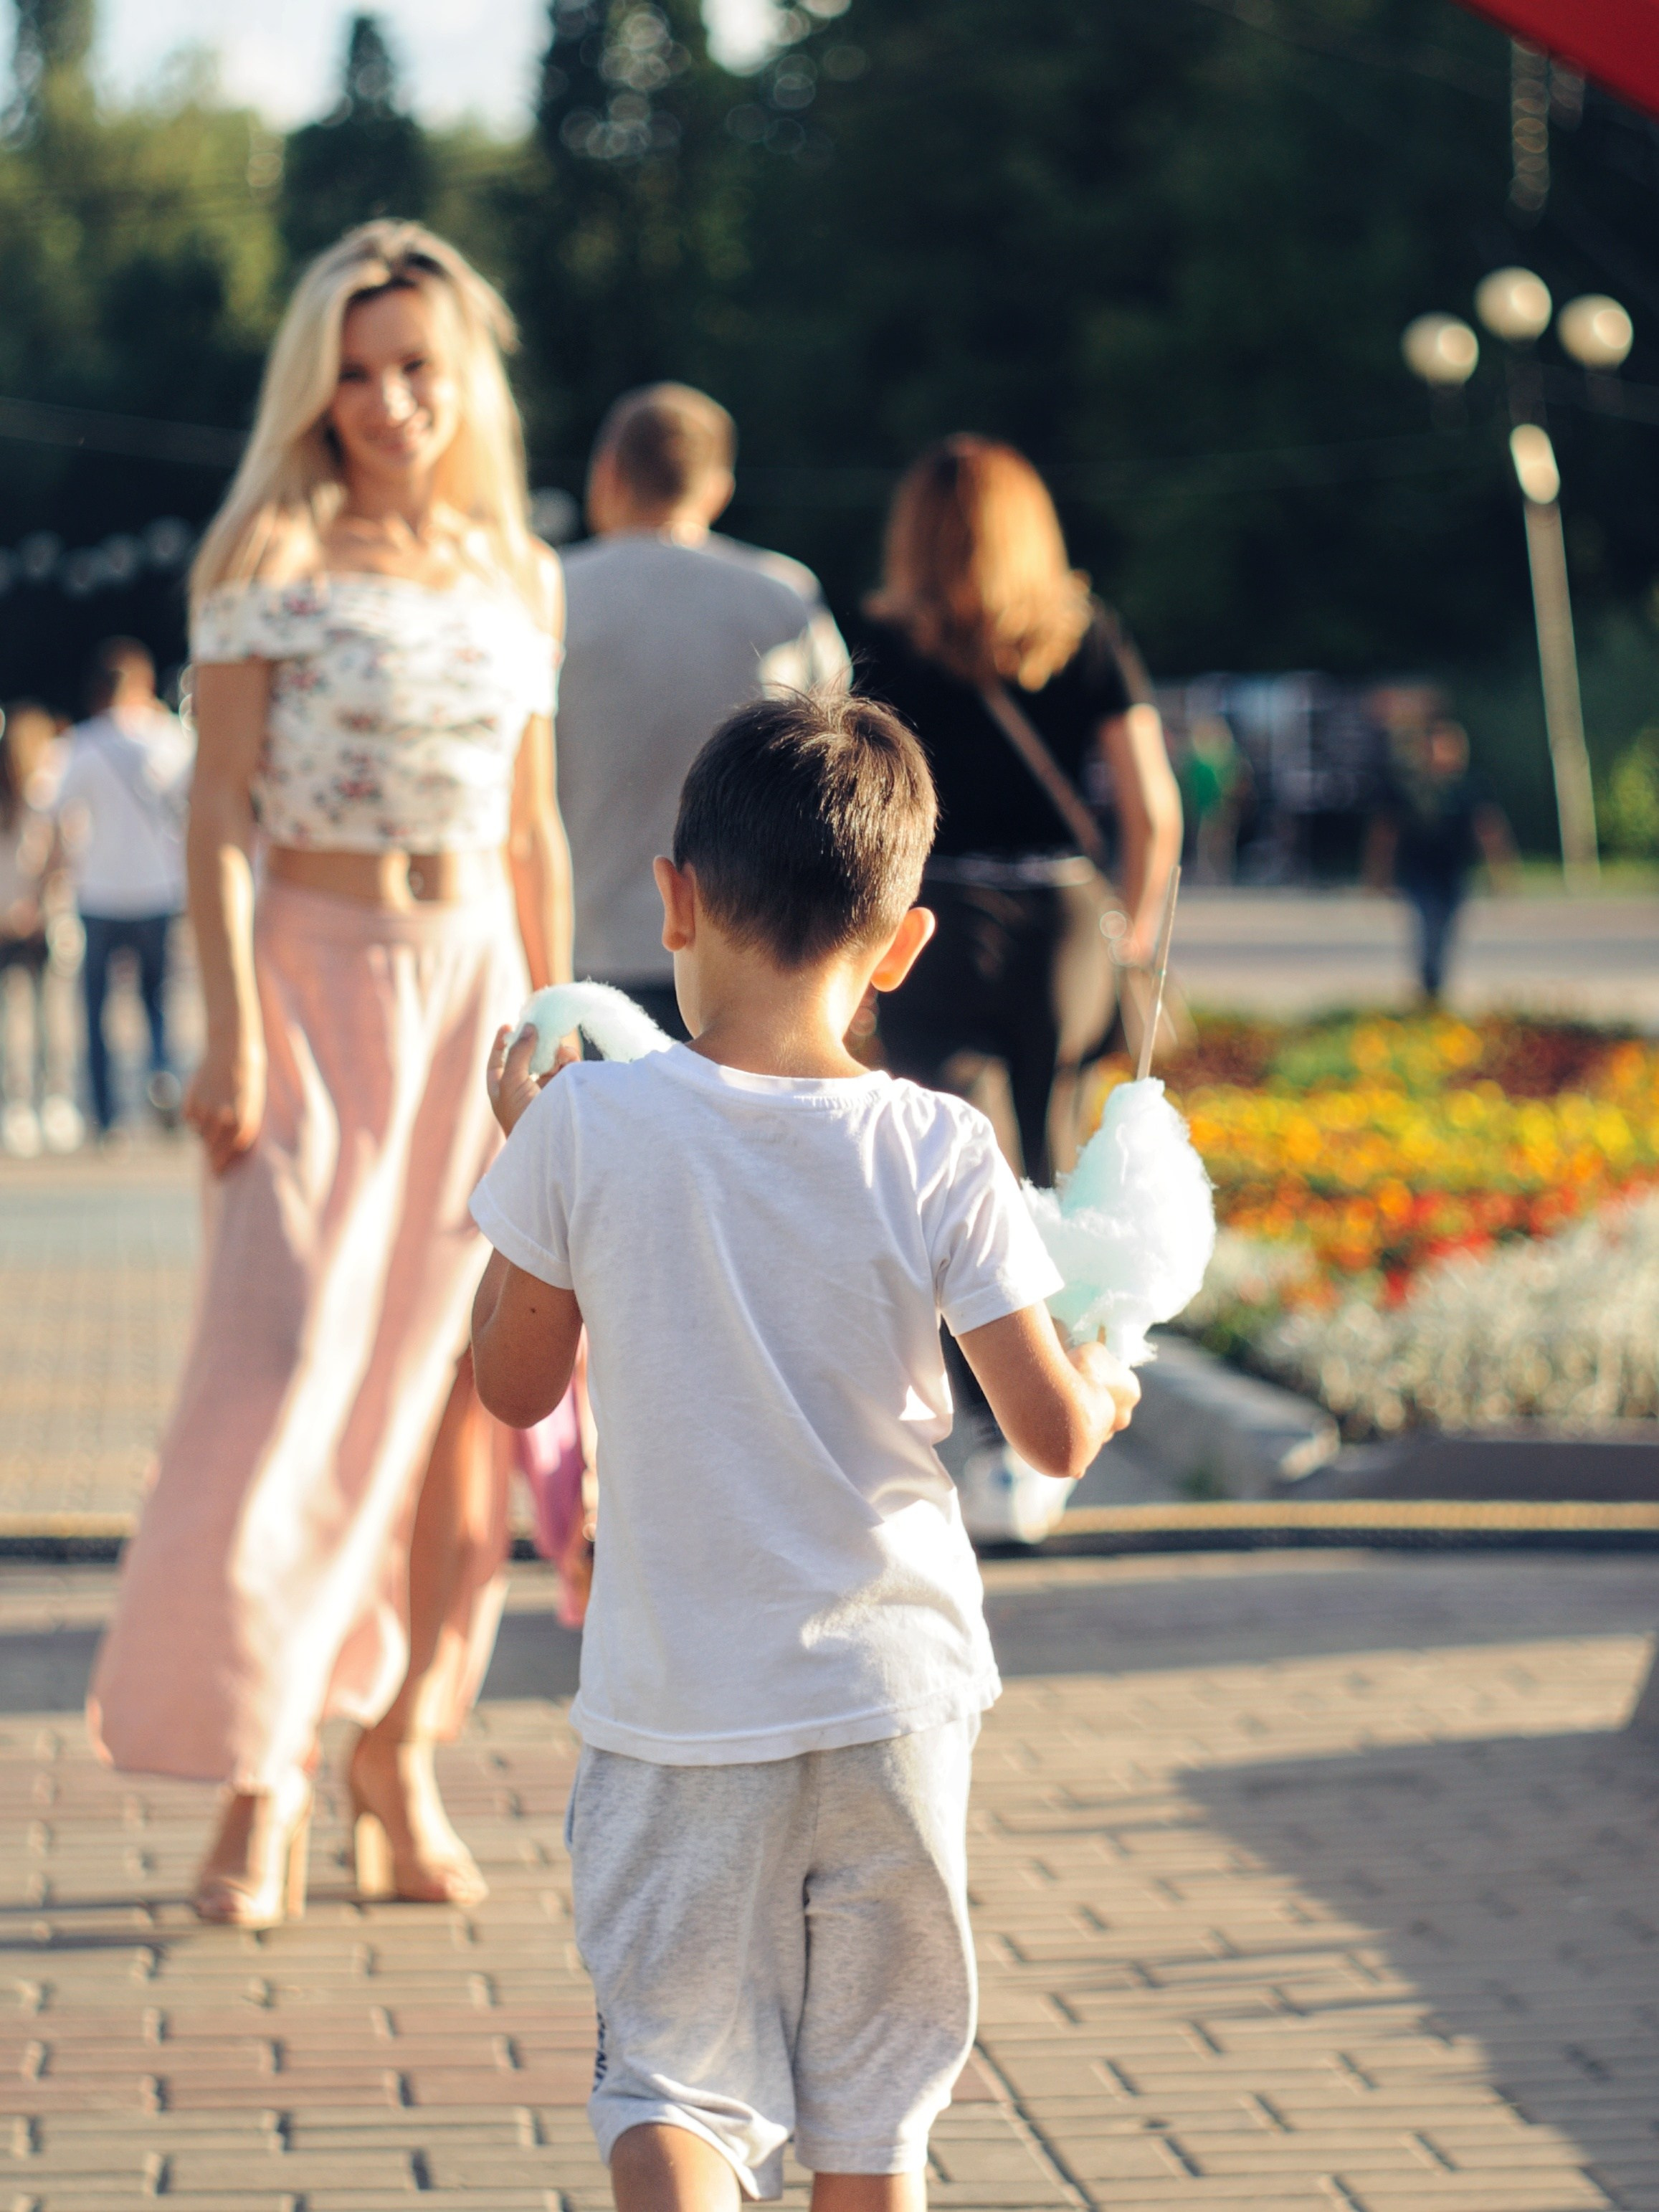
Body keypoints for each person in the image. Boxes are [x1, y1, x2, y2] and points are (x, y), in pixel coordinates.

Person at [469, 690, 1140, 2211]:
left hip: (678, 1711)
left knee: (673, 2082)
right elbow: (1042, 1430)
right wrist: (1100, 1384)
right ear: (899, 947)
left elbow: (511, 1391)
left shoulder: (587, 1128)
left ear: (673, 898)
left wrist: (519, 1168)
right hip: (894, 1699)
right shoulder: (938, 1145)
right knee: (870, 2116)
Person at [87, 221, 571, 1929]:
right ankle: (258, 1767)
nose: (388, 402)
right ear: (315, 381)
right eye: (355, 372)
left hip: (479, 1002)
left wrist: (560, 1023)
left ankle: (400, 1748)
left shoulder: (519, 567)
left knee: (464, 1409)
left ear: (468, 373)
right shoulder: (268, 544)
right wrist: (230, 1023)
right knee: (282, 1367)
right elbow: (217, 811)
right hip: (308, 980)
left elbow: (533, 823)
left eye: (418, 368)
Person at [852, 437, 1183, 1187]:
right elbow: (1154, 810)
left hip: (929, 917)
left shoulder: (880, 643)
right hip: (1064, 919)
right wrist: (1130, 932)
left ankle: (961, 1306)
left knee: (950, 1165)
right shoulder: (1085, 633)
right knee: (1052, 1154)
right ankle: (1050, 1307)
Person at [556, 381, 850, 1038]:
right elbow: (837, 776)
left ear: (607, 473)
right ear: (718, 486)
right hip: (755, 952)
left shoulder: (551, 592)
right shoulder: (783, 597)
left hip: (584, 944)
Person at [55, 640, 193, 1137]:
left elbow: (51, 811)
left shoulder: (84, 743)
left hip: (100, 889)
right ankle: (161, 1073)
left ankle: (106, 1111)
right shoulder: (171, 738)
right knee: (156, 997)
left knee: (96, 1008)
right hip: (158, 886)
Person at [1369, 717, 1516, 1000]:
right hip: (1419, 871)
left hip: (1454, 871)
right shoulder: (1407, 787)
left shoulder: (1470, 786)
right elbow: (1384, 834)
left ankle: (1435, 984)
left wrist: (1500, 874)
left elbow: (1489, 830)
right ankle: (1429, 984)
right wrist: (1378, 875)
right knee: (1428, 924)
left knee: (1447, 927)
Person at [0, 703, 74, 1154]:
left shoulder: (46, 795)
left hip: (41, 919)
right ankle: (27, 1100)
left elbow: (61, 857)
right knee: (24, 1017)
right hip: (12, 919)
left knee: (45, 1016)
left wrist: (36, 903)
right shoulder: (30, 797)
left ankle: (48, 1099)